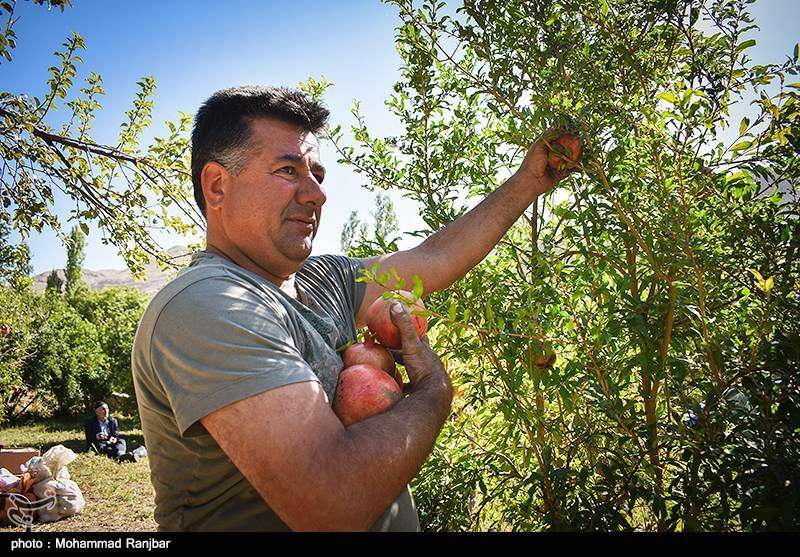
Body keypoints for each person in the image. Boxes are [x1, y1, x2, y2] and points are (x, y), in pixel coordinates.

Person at [131, 86, 572, 531]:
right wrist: (433, 389)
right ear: (217, 185)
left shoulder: (324, 281)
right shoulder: (212, 305)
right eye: (288, 170)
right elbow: (332, 504)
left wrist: (531, 179)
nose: (316, 194)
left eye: (318, 175)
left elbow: (435, 259)